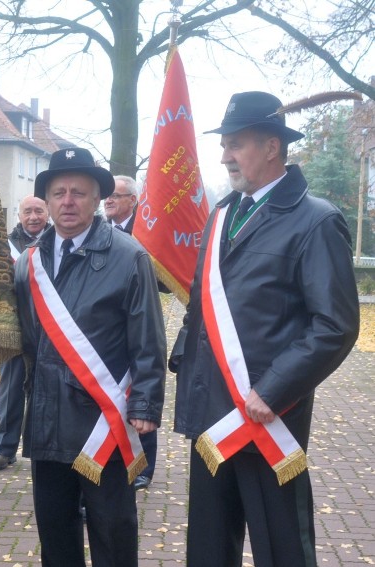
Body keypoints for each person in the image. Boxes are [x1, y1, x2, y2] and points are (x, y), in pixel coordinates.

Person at [170, 91, 359, 567]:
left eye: (236, 144)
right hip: (212, 411)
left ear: (272, 147)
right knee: (209, 546)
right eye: (225, 144)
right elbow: (200, 302)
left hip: (268, 416)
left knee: (281, 547)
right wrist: (183, 359)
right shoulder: (220, 214)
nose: (225, 156)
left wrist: (272, 390)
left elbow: (335, 325)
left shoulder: (315, 220)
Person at [14, 147, 167, 566]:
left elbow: (148, 338)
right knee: (56, 533)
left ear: (97, 198)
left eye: (78, 192)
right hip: (46, 419)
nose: (67, 201)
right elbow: (27, 338)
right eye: (59, 192)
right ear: (46, 200)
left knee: (113, 531)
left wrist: (146, 404)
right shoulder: (29, 262)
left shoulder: (129, 256)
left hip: (104, 422)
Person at [0, 194, 50, 471]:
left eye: (39, 211)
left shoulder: (58, 242)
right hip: (13, 326)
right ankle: (5, 448)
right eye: (28, 212)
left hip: (50, 327)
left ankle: (44, 446)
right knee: (10, 388)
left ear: (47, 213)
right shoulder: (3, 247)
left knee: (48, 388)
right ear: (19, 215)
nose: (33, 217)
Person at [103, 175, 156, 490]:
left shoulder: (146, 232)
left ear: (133, 200)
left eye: (115, 195)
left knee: (139, 391)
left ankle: (144, 466)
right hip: (107, 328)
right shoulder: (100, 229)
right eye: (106, 196)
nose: (108, 200)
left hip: (139, 319)